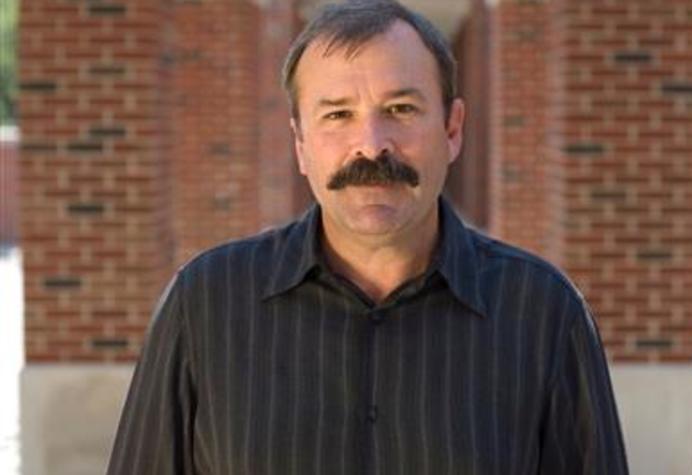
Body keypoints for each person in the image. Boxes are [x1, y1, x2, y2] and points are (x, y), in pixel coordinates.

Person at [107, 1, 629, 474]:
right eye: (338, 115)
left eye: (400, 109)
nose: (371, 145)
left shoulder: (544, 312)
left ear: (452, 129)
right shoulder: (203, 306)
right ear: (301, 144)